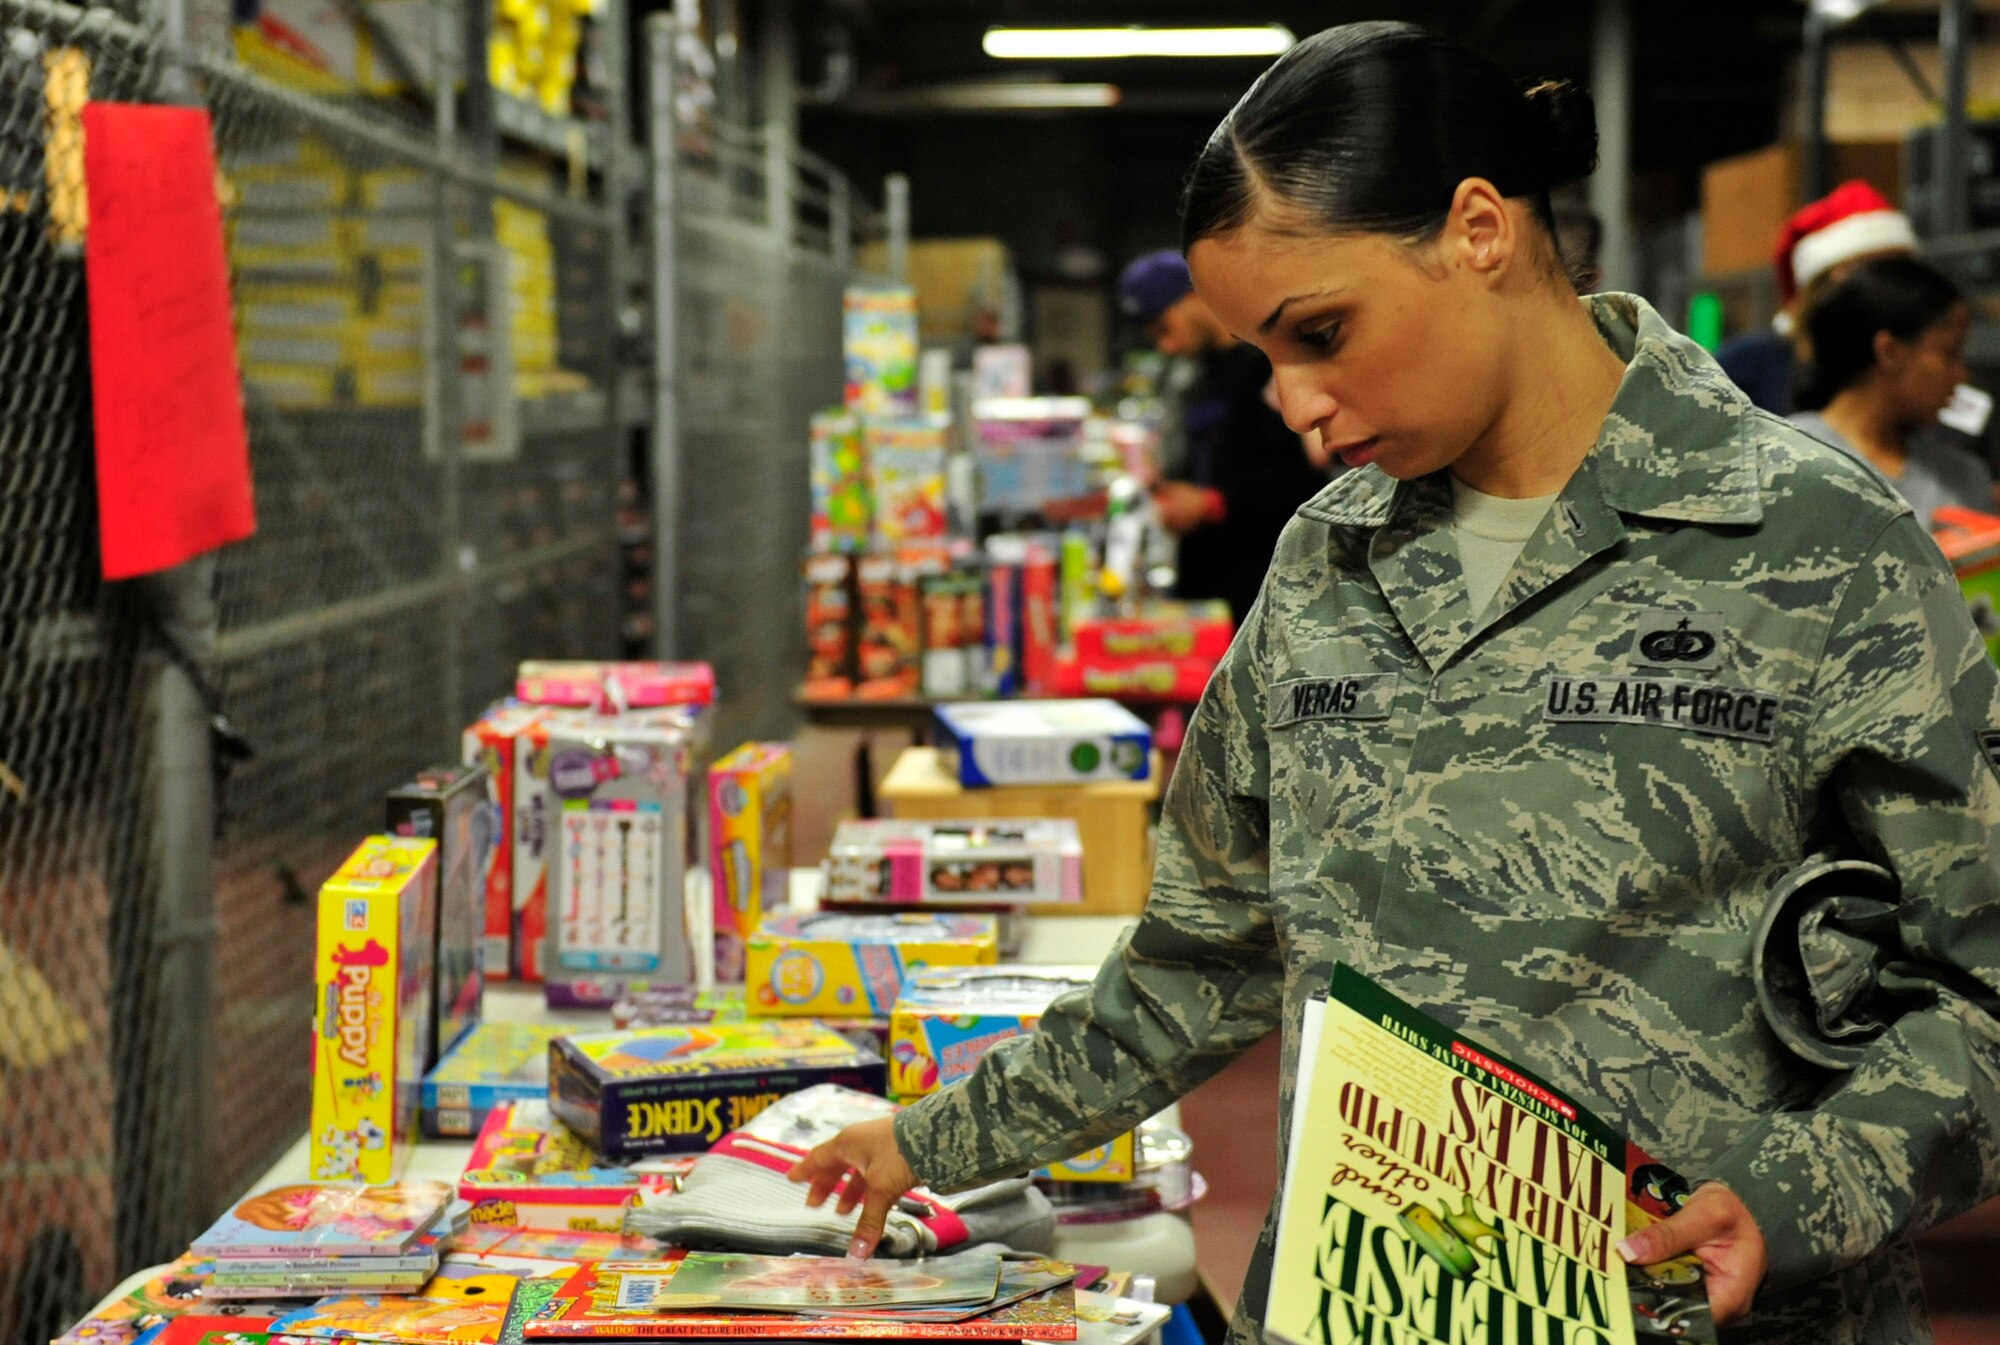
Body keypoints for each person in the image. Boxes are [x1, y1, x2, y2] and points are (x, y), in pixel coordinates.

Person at [790, 22, 2000, 1345]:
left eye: (1322, 331)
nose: (1292, 401)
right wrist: (929, 1138)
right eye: (1264, 355)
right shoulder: (1326, 566)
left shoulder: (1813, 544)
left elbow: (1981, 988)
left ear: (1478, 228)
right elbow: (1199, 965)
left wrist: (1795, 1197)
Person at [1117, 248, 1331, 624]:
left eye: (1166, 328)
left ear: (1194, 295)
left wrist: (1212, 503)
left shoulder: (1267, 367)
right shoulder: (1192, 376)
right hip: (1206, 584)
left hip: (1264, 588)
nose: (1166, 345)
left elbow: (1303, 486)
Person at [1791, 255, 1994, 526]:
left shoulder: (1964, 478)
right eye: (1949, 354)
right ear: (1890, 352)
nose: (1961, 374)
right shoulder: (1784, 460)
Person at [1716, 180, 1918, 415]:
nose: (1895, 289)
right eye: (1874, 274)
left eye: (1903, 273)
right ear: (1826, 284)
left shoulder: (1920, 365)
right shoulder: (1749, 364)